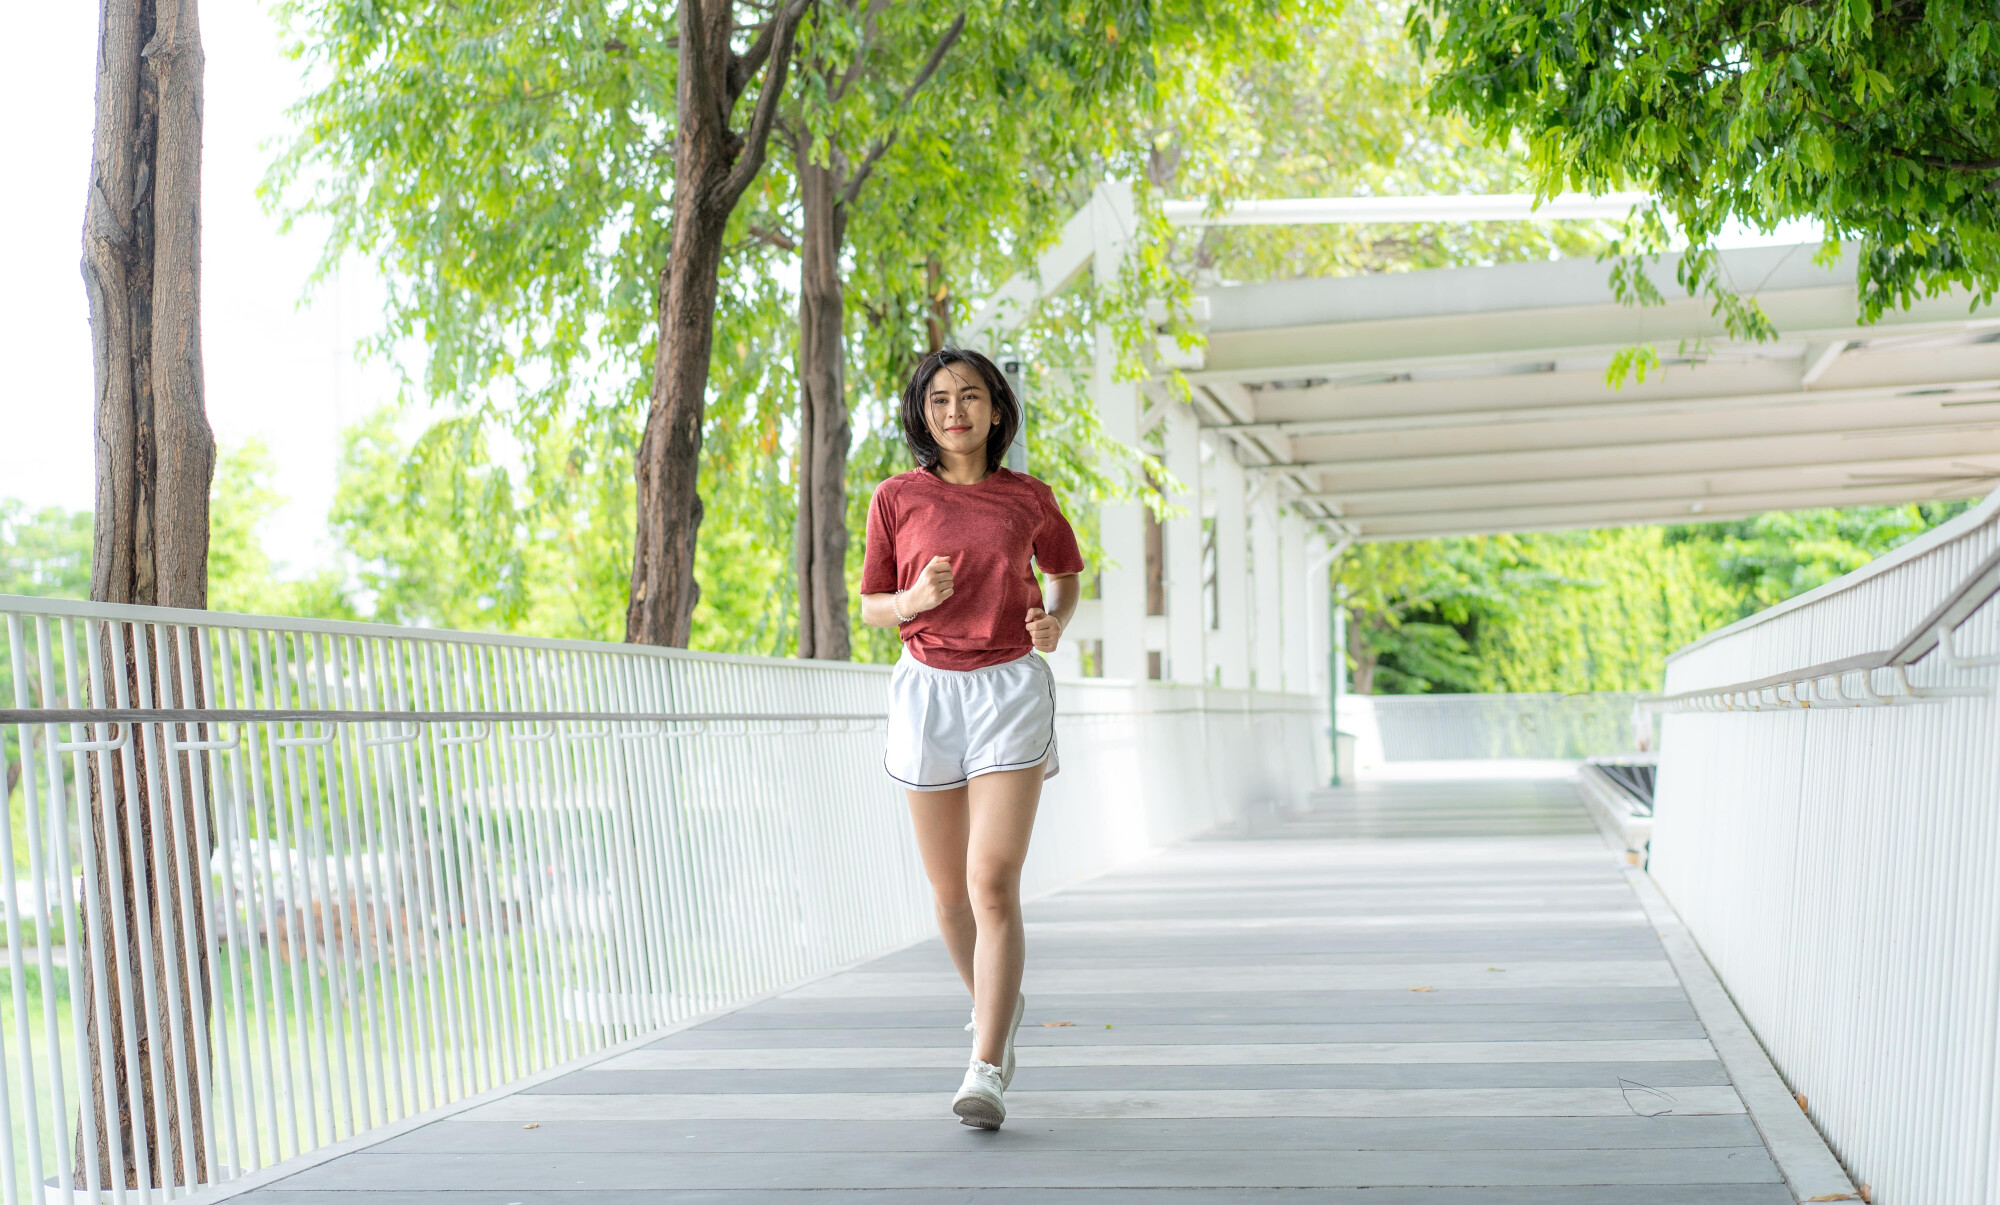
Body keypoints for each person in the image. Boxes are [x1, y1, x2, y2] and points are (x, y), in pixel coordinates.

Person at [859, 347, 1084, 1130]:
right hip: (927, 693)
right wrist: (912, 596)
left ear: (996, 409)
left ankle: (986, 1063)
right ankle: (999, 1005)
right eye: (939, 399)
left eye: (971, 397)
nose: (955, 411)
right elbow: (872, 608)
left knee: (992, 883)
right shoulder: (895, 497)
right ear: (923, 413)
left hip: (1009, 688)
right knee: (950, 894)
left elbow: (1065, 575)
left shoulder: (1029, 497)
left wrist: (1057, 620)